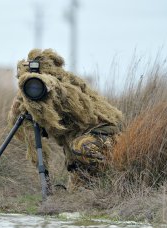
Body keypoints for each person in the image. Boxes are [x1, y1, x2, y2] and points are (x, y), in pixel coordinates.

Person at [8, 48, 123, 189]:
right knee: (78, 192)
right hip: (77, 149)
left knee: (81, 146)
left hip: (103, 136)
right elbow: (16, 122)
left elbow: (55, 86)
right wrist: (23, 99)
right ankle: (90, 182)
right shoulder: (30, 96)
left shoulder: (69, 86)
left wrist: (45, 84)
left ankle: (114, 179)